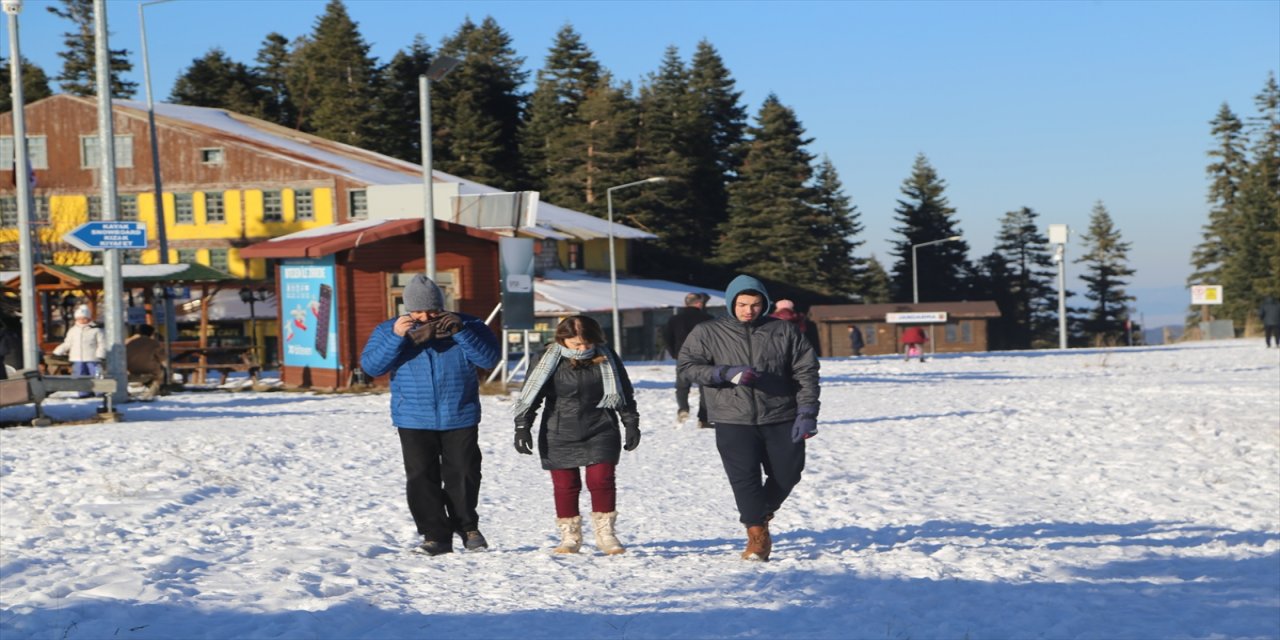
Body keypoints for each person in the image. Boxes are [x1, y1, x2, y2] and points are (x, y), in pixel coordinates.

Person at [678, 274, 820, 562]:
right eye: (743, 304)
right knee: (744, 479)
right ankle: (757, 534)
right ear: (732, 303)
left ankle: (760, 513)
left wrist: (807, 412)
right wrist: (723, 373)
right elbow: (687, 368)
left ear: (764, 303)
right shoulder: (708, 332)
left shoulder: (783, 330)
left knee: (788, 473)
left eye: (755, 304)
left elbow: (806, 371)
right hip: (732, 417)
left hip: (781, 414)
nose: (749, 310)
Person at [360, 274, 501, 556]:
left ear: (442, 305)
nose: (425, 317)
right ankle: (435, 536)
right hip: (413, 416)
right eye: (418, 311)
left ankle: (468, 528)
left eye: (432, 310)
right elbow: (372, 367)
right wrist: (395, 338)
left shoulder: (468, 324)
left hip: (459, 414)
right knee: (422, 477)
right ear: (406, 308)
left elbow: (488, 360)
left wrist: (461, 333)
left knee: (463, 473)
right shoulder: (390, 329)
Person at [512, 315, 641, 555]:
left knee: (601, 480)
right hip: (559, 429)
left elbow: (623, 393)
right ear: (563, 340)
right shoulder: (546, 359)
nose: (583, 349)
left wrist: (631, 423)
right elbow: (532, 395)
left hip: (600, 426)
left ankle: (606, 534)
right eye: (576, 344)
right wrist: (522, 426)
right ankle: (570, 536)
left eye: (588, 344)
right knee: (565, 485)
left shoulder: (607, 357)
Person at [664, 292, 714, 427]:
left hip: (683, 357)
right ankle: (703, 419)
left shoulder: (674, 319)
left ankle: (683, 408)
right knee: (705, 388)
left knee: (682, 386)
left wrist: (674, 354)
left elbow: (667, 338)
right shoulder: (708, 318)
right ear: (699, 303)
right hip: (704, 357)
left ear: (685, 303)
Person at [54, 304, 106, 397]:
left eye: (84, 318)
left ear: (89, 318)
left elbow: (102, 343)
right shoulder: (73, 330)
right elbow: (68, 343)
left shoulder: (96, 330)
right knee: (80, 375)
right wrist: (58, 351)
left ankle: (99, 391)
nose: (82, 320)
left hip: (92, 357)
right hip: (77, 358)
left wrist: (100, 354)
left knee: (96, 374)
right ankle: (84, 392)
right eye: (79, 318)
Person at [126, 324, 166, 398]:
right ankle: (156, 390)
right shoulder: (154, 343)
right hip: (150, 372)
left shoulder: (128, 342)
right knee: (162, 372)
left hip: (131, 371)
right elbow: (163, 358)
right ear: (151, 333)